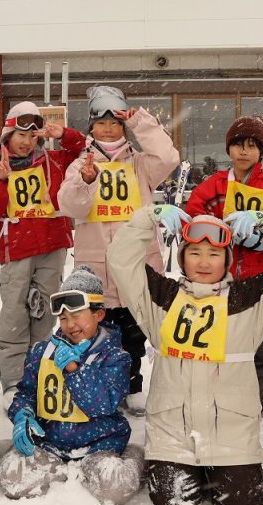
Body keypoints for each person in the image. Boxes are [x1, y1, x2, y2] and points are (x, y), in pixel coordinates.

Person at [107, 205, 263, 505]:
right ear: (182, 257)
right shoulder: (160, 297)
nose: (203, 262)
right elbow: (121, 258)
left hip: (232, 436)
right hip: (172, 435)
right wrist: (150, 217)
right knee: (170, 502)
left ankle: (223, 472)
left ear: (227, 259)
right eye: (195, 253)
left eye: (214, 254)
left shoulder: (249, 299)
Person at [57, 86, 179, 415]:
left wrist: (140, 122)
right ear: (91, 127)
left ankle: (134, 384)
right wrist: (86, 181)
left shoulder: (140, 164)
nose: (108, 129)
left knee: (135, 331)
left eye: (115, 123)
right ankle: (102, 387)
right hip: (97, 266)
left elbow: (168, 158)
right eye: (101, 122)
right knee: (97, 331)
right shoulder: (80, 164)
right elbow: (69, 205)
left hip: (136, 263)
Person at [0, 266, 143, 505]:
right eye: (63, 318)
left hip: (99, 444)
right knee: (12, 479)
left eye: (77, 315)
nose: (70, 324)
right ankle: (59, 469)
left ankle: (131, 457)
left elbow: (102, 404)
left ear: (98, 314)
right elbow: (28, 393)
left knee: (115, 490)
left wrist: (75, 371)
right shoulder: (43, 352)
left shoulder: (116, 357)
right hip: (50, 443)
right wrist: (23, 413)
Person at [0, 102, 86, 393]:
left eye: (32, 136)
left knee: (45, 313)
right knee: (14, 313)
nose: (26, 142)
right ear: (7, 136)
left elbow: (85, 151)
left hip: (52, 245)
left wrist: (64, 134)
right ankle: (12, 380)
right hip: (17, 250)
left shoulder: (55, 160)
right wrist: (0, 181)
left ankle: (38, 372)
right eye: (20, 135)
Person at [184, 115, 263, 418]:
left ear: (262, 152)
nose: (244, 151)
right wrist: (213, 230)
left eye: (253, 146)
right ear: (229, 148)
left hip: (261, 279)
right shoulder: (215, 185)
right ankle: (223, 395)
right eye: (239, 144)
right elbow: (194, 215)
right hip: (221, 280)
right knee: (221, 339)